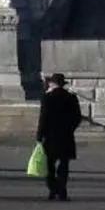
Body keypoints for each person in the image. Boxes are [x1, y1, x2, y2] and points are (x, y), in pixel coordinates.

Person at [35, 71, 82, 202]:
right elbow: (77, 117)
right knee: (64, 165)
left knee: (49, 165)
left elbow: (43, 118)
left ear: (52, 83)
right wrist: (70, 128)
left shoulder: (47, 97)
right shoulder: (71, 97)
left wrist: (39, 135)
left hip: (50, 136)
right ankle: (62, 191)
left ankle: (53, 189)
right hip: (66, 136)